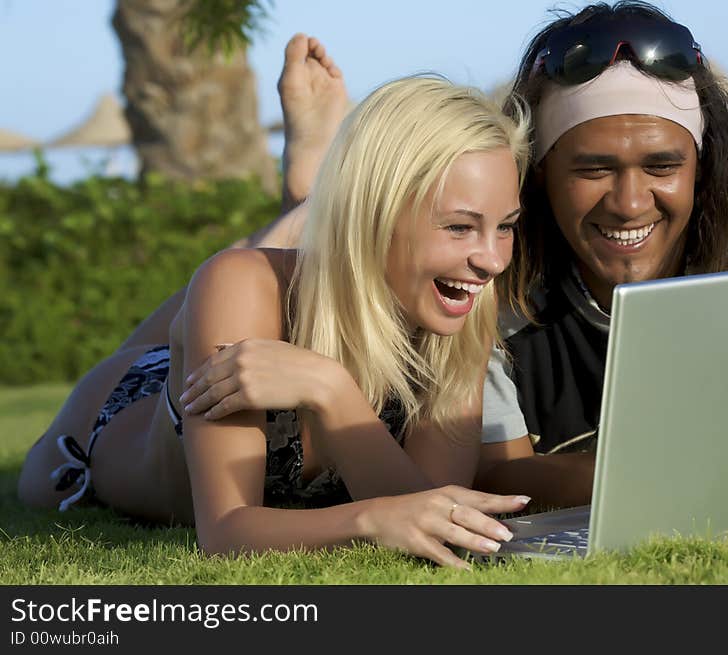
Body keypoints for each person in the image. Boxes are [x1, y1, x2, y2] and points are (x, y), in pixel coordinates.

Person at [263, 6, 728, 509]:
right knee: (268, 265)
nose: (629, 204)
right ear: (540, 176)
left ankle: (310, 192)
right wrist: (678, 483)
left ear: (703, 169)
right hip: (208, 335)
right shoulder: (492, 272)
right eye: (592, 169)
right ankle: (313, 194)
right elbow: (491, 474)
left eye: (662, 166)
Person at [17, 72, 533, 570]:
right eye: (461, 227)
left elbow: (432, 512)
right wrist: (369, 515)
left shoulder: (464, 301)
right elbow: (224, 531)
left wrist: (329, 391)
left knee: (247, 287)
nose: (491, 260)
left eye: (505, 227)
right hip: (108, 420)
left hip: (316, 298)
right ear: (376, 213)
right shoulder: (241, 289)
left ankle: (305, 203)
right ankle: (304, 205)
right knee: (232, 281)